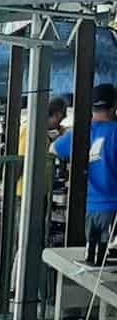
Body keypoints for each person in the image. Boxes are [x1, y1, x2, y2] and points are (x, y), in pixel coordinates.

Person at [53, 82, 117, 258]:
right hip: (113, 208)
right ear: (114, 106)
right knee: (108, 263)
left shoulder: (80, 132)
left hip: (87, 207)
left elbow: (54, 149)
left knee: (90, 259)